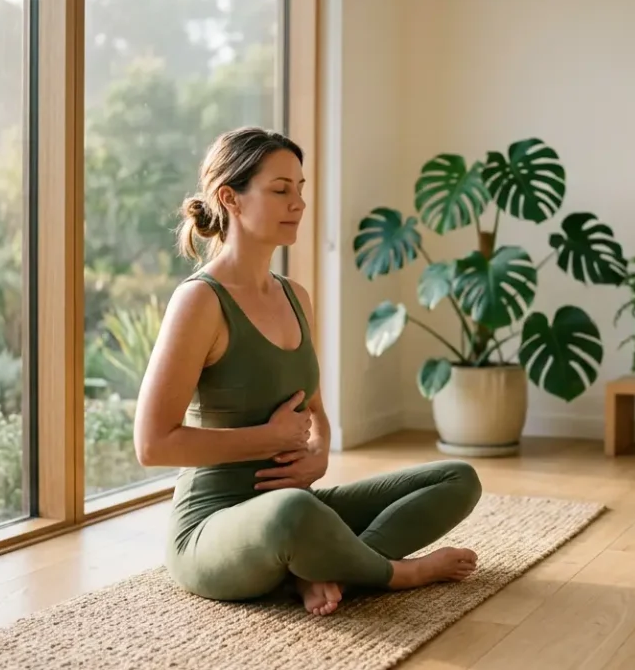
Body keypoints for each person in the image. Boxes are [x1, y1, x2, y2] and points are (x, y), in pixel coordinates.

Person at [132, 126, 482, 617]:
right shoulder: (200, 301)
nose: (297, 203)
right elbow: (153, 444)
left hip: (299, 503)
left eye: (300, 189)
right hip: (215, 527)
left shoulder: (296, 297)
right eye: (280, 190)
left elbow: (313, 412)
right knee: (293, 513)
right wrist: (265, 439)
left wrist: (318, 454)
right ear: (229, 198)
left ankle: (322, 569)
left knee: (457, 478)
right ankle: (398, 573)